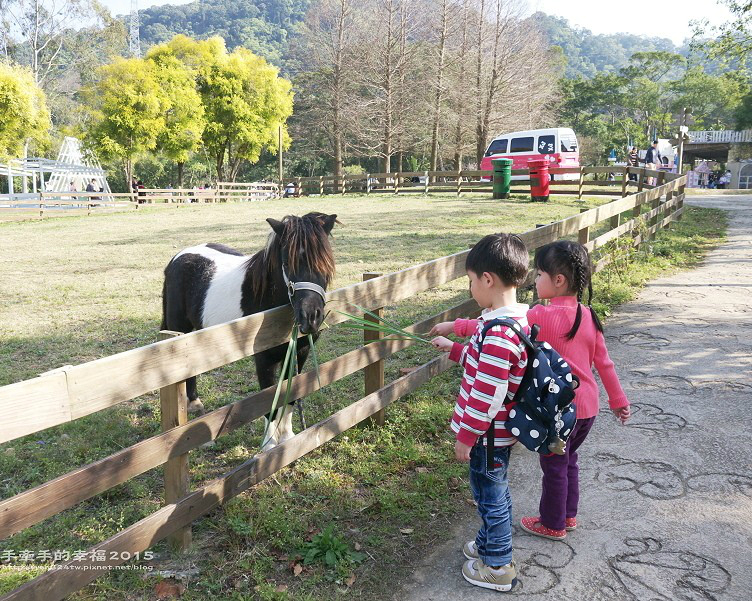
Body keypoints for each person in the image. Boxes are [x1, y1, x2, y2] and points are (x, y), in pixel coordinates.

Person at [435, 241, 631, 542]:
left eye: (539, 274)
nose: (535, 280)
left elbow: (491, 326)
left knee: (554, 465)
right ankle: (568, 513)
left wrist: (454, 326)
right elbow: (604, 363)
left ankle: (553, 523)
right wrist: (618, 401)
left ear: (558, 280)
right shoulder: (589, 315)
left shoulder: (539, 315)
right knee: (569, 461)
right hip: (588, 409)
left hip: (558, 410)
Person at [430, 233, 530, 592]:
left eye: (471, 281)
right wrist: (454, 348)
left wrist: (467, 436)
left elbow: (488, 392)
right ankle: (490, 545)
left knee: (490, 496)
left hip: (488, 437)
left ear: (487, 279)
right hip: (496, 434)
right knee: (494, 491)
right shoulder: (509, 320)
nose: (471, 288)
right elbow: (484, 363)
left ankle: (499, 565)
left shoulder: (499, 332)